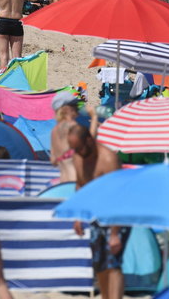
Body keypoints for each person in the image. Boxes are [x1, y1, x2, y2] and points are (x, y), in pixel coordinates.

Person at [69, 124, 128, 299]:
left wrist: (115, 233)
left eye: (79, 147)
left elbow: (118, 197)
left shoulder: (108, 159)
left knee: (113, 264)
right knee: (99, 263)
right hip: (96, 214)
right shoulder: (78, 156)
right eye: (74, 148)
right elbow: (80, 186)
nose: (77, 152)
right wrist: (78, 216)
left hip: (117, 213)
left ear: (89, 140)